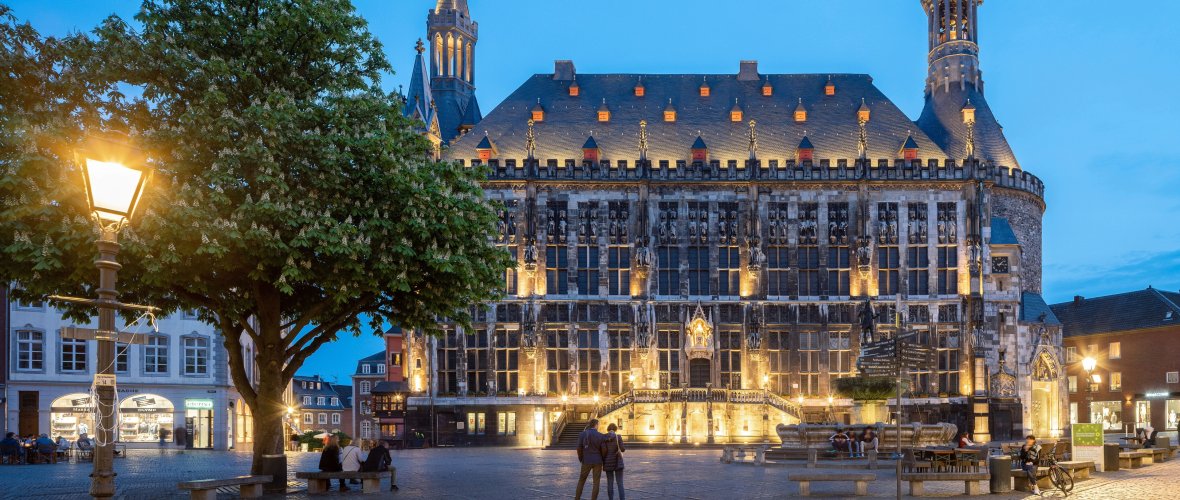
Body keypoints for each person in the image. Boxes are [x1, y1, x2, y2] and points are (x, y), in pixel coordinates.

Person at [575, 419, 606, 500]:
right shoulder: (600, 435)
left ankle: (577, 498)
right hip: (598, 460)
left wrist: (581, 458)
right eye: (598, 425)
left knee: (581, 480)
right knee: (596, 482)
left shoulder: (582, 434)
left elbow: (578, 448)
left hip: (586, 460)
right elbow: (604, 449)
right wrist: (602, 459)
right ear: (596, 425)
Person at [602, 424, 626, 500]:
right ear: (615, 429)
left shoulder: (604, 437)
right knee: (620, 483)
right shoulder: (618, 437)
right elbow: (622, 449)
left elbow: (603, 450)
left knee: (610, 483)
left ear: (608, 429)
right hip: (618, 462)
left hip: (607, 462)